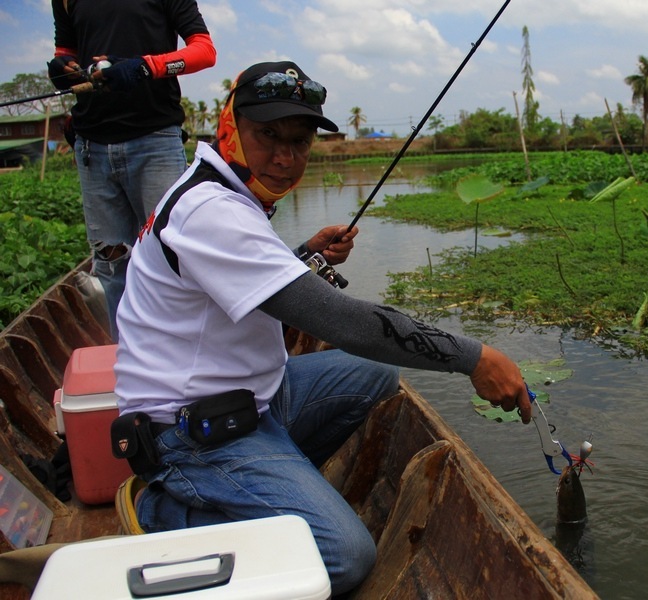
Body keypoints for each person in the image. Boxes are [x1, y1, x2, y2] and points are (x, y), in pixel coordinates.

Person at [112, 60, 533, 595]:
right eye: (268, 136)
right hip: (190, 434)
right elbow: (341, 321)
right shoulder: (210, 211)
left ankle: (275, 485)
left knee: (375, 375)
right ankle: (166, 513)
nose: (286, 158)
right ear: (229, 125)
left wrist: (302, 254)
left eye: (301, 141)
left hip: (248, 398)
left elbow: (225, 285)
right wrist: (474, 356)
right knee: (342, 556)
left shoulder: (221, 193)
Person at [48, 0, 216, 341]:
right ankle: (130, 363)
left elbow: (203, 51)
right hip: (91, 145)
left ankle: (186, 356)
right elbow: (65, 51)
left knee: (172, 257)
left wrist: (145, 67)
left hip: (155, 140)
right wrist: (62, 66)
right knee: (111, 266)